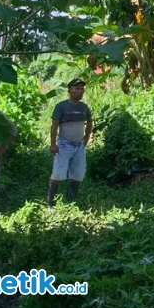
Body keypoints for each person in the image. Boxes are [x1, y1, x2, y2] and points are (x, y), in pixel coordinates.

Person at [47, 78, 93, 211]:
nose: (80, 91)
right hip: (64, 145)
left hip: (79, 146)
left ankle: (70, 201)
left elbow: (89, 122)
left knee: (78, 174)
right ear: (69, 91)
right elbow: (54, 126)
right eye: (77, 89)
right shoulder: (61, 106)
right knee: (58, 174)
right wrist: (53, 144)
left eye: (81, 89)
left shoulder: (84, 107)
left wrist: (86, 138)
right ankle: (51, 204)